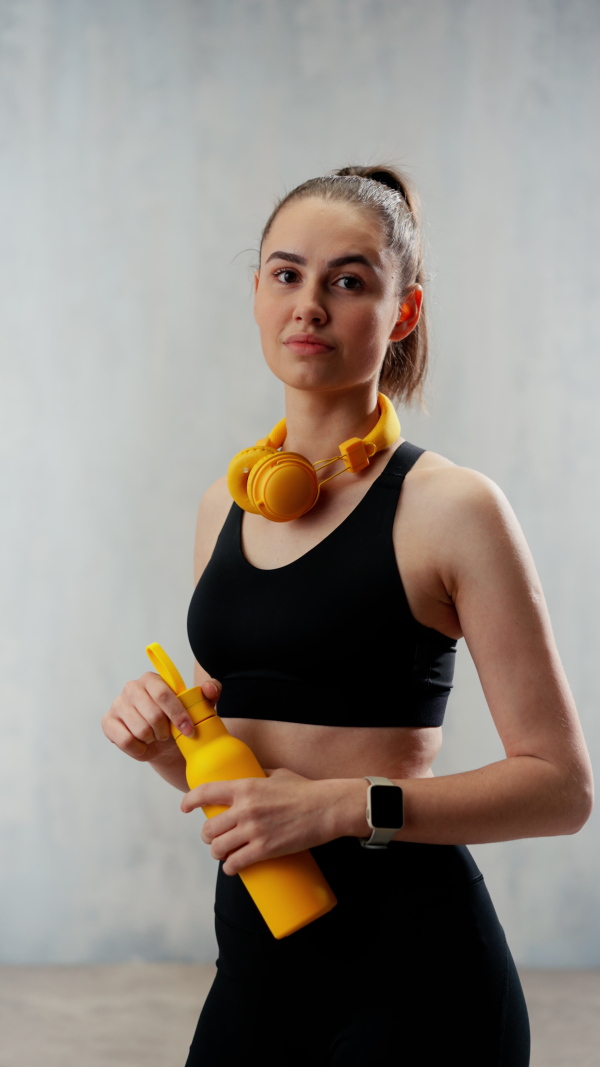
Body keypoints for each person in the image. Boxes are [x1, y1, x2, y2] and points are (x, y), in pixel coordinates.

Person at [102, 164, 593, 1065]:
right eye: (286, 274)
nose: (310, 306)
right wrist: (173, 753)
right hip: (258, 957)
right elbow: (257, 785)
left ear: (401, 313)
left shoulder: (453, 508)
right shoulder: (227, 501)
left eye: (350, 280)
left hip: (418, 976)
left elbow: (564, 789)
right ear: (254, 292)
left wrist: (339, 807)